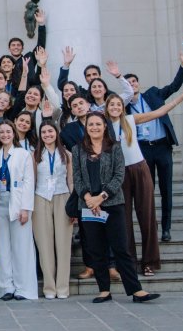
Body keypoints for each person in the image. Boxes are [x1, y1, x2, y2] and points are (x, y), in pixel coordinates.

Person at [72, 112, 160, 304]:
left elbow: (119, 176)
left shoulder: (115, 147)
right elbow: (77, 178)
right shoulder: (78, 149)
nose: (94, 127)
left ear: (105, 126)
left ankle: (136, 290)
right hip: (88, 206)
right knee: (96, 249)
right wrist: (89, 198)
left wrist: (101, 198)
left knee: (121, 248)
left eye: (98, 124)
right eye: (90, 125)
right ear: (86, 128)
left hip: (112, 204)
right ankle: (104, 290)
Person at [106, 86, 183, 276]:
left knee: (147, 216)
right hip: (119, 175)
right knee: (124, 219)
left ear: (122, 107)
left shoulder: (130, 119)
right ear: (107, 107)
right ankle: (127, 263)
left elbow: (158, 112)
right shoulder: (103, 126)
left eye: (118, 104)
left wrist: (181, 98)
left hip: (139, 168)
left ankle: (149, 262)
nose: (115, 107)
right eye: (111, 104)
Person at [125, 48, 183, 242]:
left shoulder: (154, 94)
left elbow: (173, 87)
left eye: (134, 81)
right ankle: (151, 228)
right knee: (147, 190)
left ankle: (166, 228)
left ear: (138, 83)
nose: (132, 84)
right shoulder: (124, 107)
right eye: (128, 83)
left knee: (166, 189)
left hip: (162, 147)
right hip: (143, 149)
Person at [0, 121, 37, 301]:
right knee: (1, 247)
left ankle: (23, 288)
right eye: (1, 132)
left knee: (21, 246)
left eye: (8, 131)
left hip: (18, 203)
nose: (5, 135)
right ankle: (5, 287)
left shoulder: (23, 154)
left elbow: (28, 182)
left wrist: (26, 208)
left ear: (14, 133)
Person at [31, 122, 73, 299]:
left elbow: (71, 180)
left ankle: (62, 287)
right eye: (44, 132)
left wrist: (73, 206)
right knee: (44, 244)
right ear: (40, 135)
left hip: (62, 196)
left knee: (63, 244)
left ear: (56, 133)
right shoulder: (34, 155)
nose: (47, 134)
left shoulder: (67, 155)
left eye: (50, 131)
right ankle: (49, 287)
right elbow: (32, 181)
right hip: (40, 197)